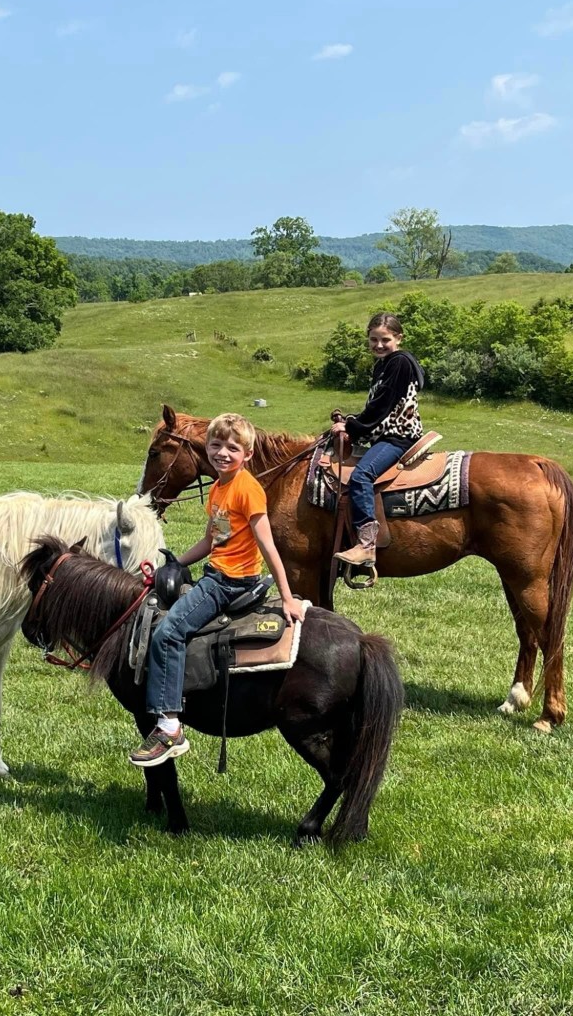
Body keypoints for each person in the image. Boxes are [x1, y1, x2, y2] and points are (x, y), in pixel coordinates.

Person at [129, 412, 307, 767]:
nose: (223, 453)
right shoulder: (218, 489)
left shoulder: (248, 490)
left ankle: (169, 727)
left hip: (229, 583)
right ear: (206, 448)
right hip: (217, 573)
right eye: (216, 445)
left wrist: (288, 598)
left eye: (232, 448)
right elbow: (213, 540)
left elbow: (268, 545)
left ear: (248, 454)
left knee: (168, 633)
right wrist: (174, 562)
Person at [332, 312, 425, 567]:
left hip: (398, 438)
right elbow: (375, 407)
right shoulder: (383, 365)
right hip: (386, 435)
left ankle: (366, 545)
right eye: (374, 340)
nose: (379, 345)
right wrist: (352, 421)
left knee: (361, 476)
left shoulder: (399, 363)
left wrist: (352, 426)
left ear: (398, 338)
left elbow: (383, 406)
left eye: (385, 339)